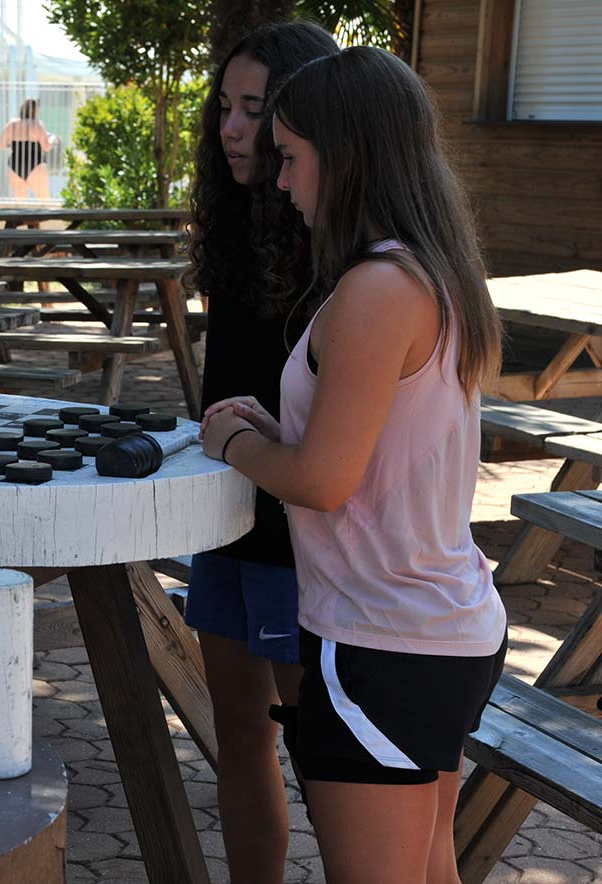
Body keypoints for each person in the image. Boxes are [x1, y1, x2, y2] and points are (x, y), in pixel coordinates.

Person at [200, 46, 507, 884]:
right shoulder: (432, 272)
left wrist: (233, 442)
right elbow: (377, 447)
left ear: (348, 156)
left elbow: (322, 483)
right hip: (441, 628)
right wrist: (278, 427)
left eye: (292, 158)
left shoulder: (375, 289)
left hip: (381, 640)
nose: (284, 182)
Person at [182, 21, 337, 884]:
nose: (232, 129)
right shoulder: (235, 223)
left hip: (301, 534)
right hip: (224, 516)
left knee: (327, 764)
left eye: (255, 111)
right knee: (237, 741)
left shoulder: (338, 246)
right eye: (226, 108)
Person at [0, 99, 55, 200]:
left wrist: (14, 144)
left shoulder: (11, 124)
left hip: (15, 165)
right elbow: (46, 147)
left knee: (21, 202)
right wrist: (52, 139)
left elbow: (2, 145)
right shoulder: (37, 124)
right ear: (35, 111)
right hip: (35, 163)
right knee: (44, 200)